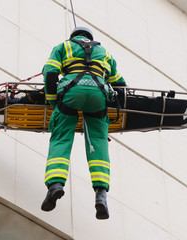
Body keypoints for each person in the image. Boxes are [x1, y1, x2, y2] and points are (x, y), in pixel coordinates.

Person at [41, 26, 126, 220]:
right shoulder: (105, 52)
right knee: (98, 141)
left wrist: (54, 100)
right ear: (90, 38)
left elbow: (51, 73)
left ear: (73, 36)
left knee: (61, 137)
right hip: (98, 95)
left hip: (71, 93)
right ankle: (101, 194)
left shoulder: (63, 47)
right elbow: (120, 84)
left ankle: (55, 185)